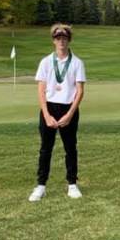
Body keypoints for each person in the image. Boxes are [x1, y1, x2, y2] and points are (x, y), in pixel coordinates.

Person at [29, 23, 87, 201]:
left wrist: (69, 114)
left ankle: (72, 184)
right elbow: (41, 90)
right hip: (49, 107)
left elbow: (80, 90)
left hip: (68, 108)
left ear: (69, 40)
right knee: (46, 149)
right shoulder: (46, 62)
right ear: (53, 41)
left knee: (70, 148)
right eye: (58, 38)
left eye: (64, 38)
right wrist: (46, 115)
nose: (61, 41)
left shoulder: (77, 62)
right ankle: (41, 186)